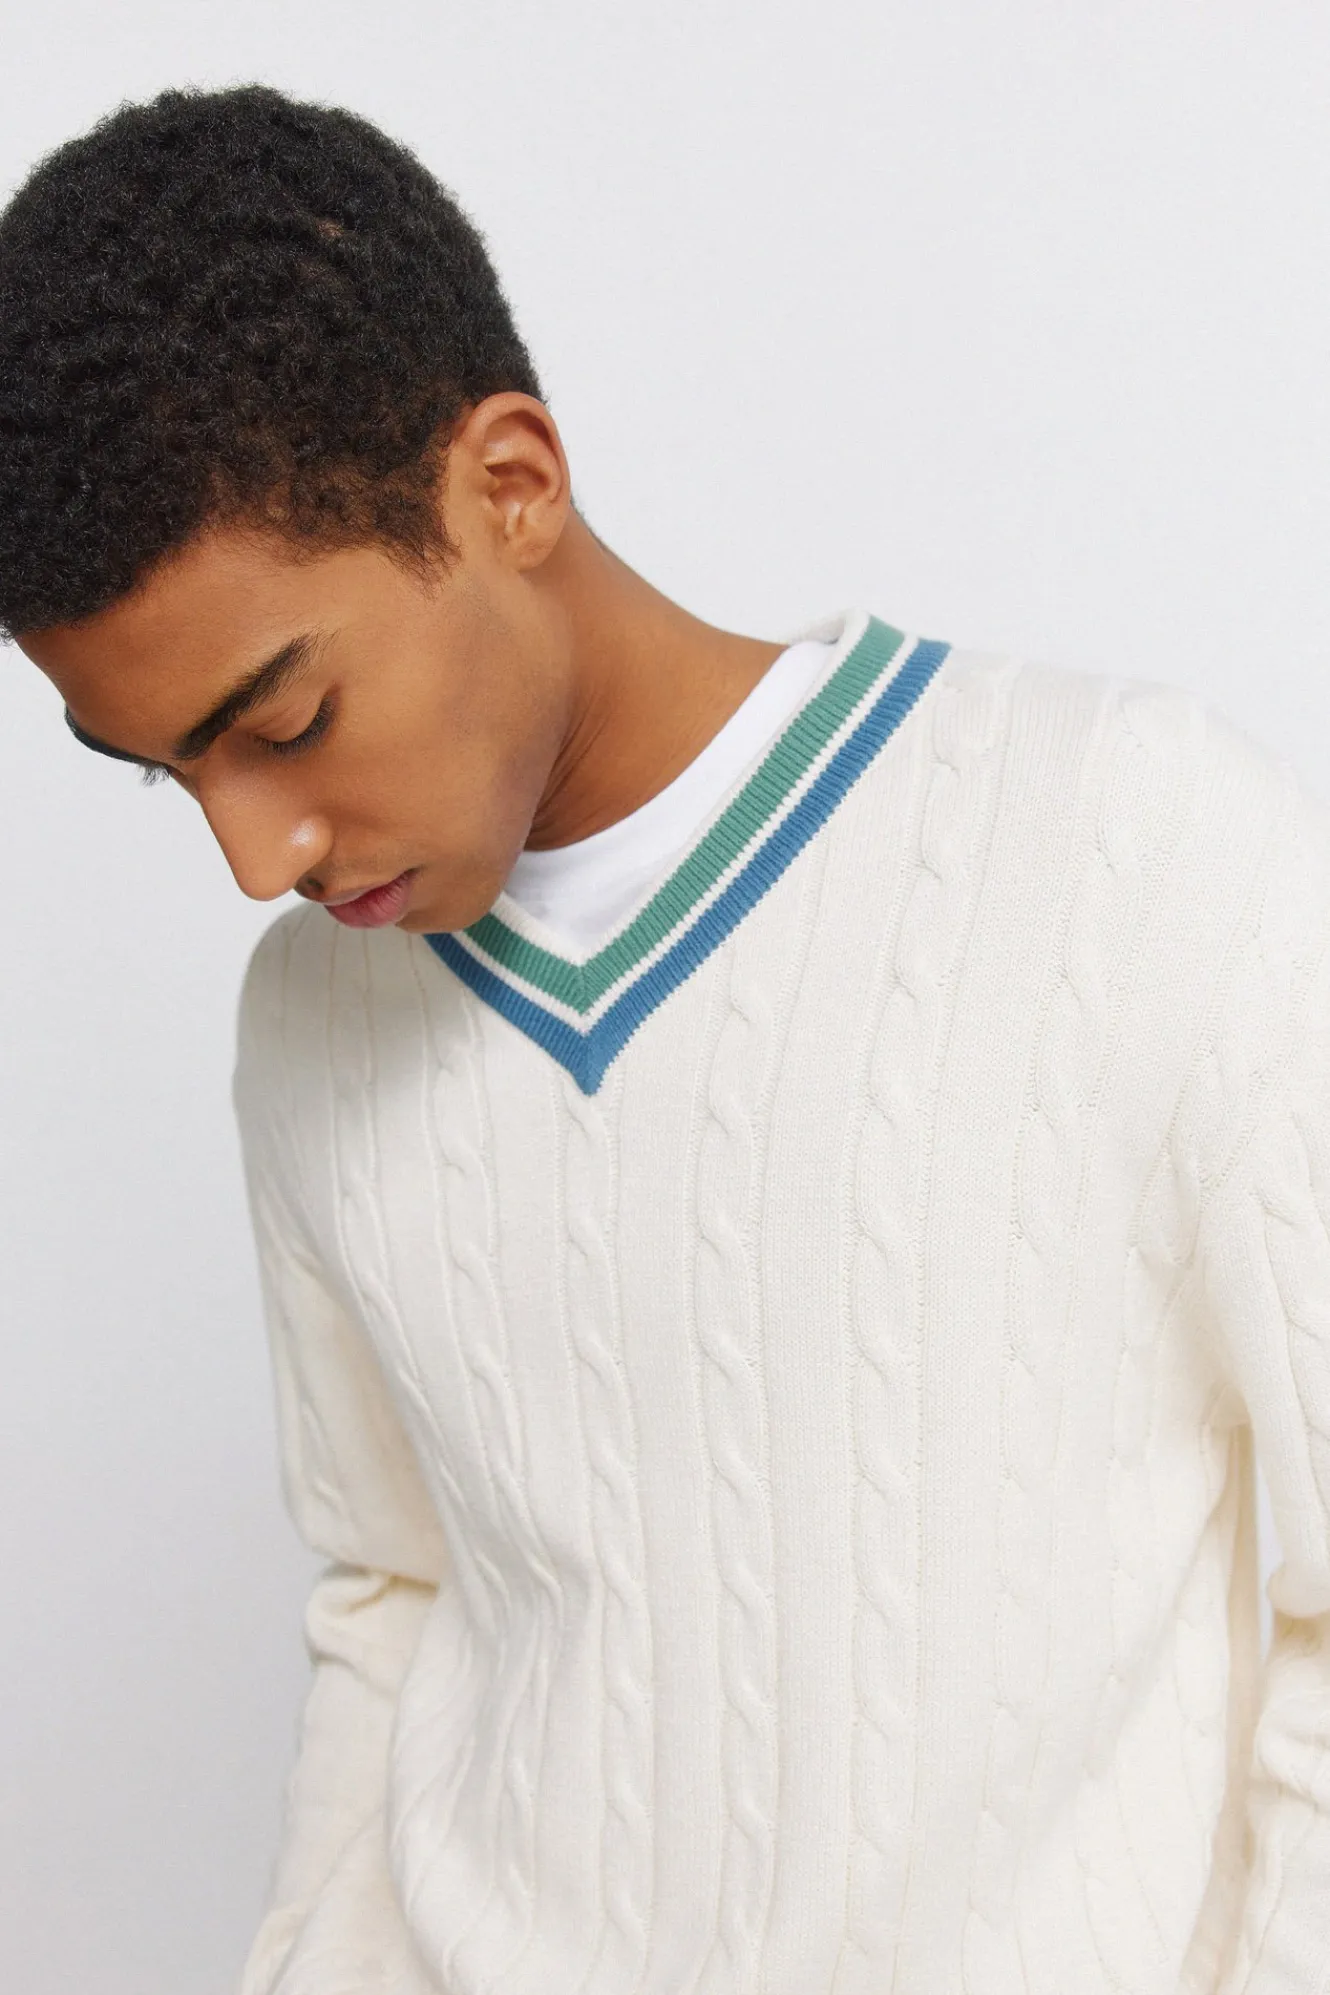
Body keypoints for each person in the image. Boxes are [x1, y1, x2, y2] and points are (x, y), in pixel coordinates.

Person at [2, 78, 1327, 1995]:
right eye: (168, 772)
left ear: (509, 485)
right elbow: (396, 1593)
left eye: (281, 725)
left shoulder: (1136, 842)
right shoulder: (313, 1020)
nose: (252, 854)